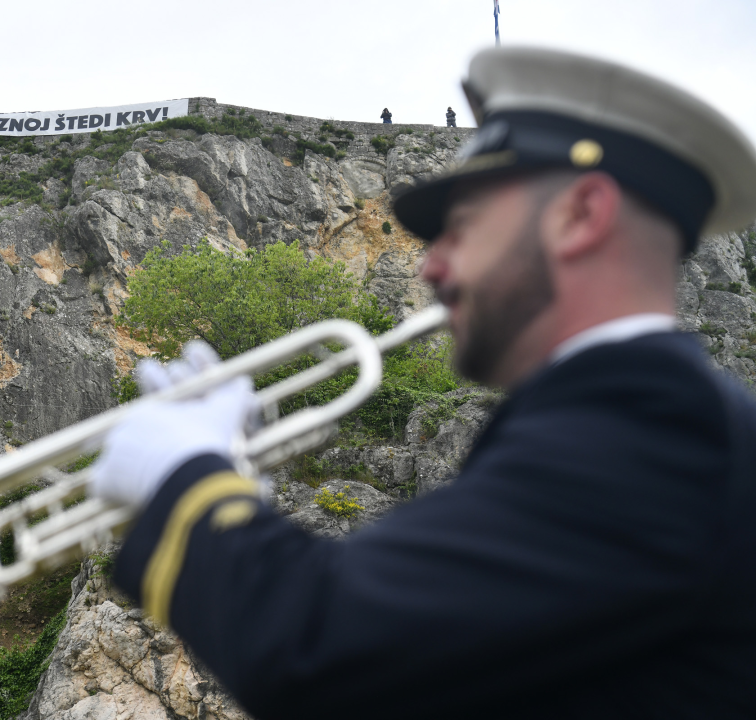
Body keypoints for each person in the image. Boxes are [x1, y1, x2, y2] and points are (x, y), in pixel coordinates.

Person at [90, 46, 756, 718]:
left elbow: (330, 652)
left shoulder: (650, 427)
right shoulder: (647, 421)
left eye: (460, 228)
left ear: (581, 214)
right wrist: (237, 500)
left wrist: (187, 482)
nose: (430, 270)